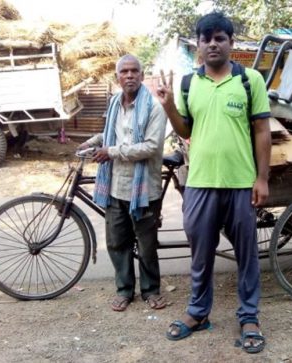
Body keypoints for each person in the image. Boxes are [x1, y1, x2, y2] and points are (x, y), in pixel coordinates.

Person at [154, 12, 271, 354]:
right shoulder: (189, 84)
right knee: (200, 254)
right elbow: (186, 131)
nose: (212, 44)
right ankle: (197, 313)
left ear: (231, 43)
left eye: (219, 37)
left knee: (247, 254)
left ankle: (249, 317)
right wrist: (169, 106)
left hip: (240, 184)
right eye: (205, 39)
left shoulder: (250, 81)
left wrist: (262, 178)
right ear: (198, 46)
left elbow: (262, 130)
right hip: (200, 183)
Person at [78, 55, 168, 312]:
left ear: (141, 75)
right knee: (117, 242)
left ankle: (151, 290)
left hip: (144, 188)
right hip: (116, 186)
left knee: (147, 245)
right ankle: (124, 290)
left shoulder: (154, 108)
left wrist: (111, 151)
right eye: (124, 72)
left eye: (134, 71)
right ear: (117, 77)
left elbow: (150, 147)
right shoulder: (115, 103)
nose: (129, 75)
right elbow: (110, 133)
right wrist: (92, 142)